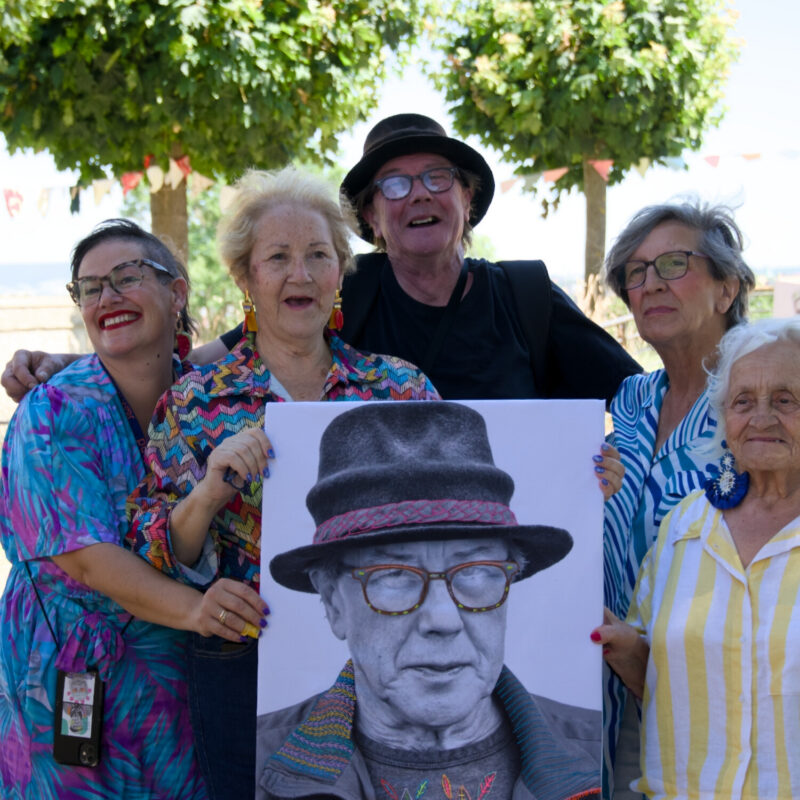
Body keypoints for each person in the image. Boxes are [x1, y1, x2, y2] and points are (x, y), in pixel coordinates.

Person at [126, 166, 440, 800]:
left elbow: (453, 511)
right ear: (247, 278)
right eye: (278, 257)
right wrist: (210, 490)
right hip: (246, 662)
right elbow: (154, 547)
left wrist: (572, 480)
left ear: (339, 273)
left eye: (318, 255)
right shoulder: (195, 403)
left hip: (396, 658)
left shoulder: (400, 389)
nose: (300, 274)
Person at [2, 113, 641, 403]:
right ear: (369, 219)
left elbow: (643, 397)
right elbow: (195, 366)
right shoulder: (343, 291)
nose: (416, 193)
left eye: (437, 177)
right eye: (393, 184)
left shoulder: (525, 296)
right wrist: (79, 364)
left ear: (467, 200)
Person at [0, 220, 264, 798]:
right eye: (90, 288)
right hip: (72, 674)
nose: (107, 298)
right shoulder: (51, 413)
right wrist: (202, 612)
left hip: (184, 674)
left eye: (126, 277)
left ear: (177, 294)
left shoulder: (213, 402)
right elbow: (90, 562)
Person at [257, 401, 602, 800]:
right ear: (334, 603)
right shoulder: (260, 761)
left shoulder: (596, 753)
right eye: (395, 575)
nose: (443, 619)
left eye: (475, 570)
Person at [593, 317, 800, 798]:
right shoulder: (686, 524)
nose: (762, 417)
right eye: (743, 401)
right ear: (723, 417)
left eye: (786, 400)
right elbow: (663, 683)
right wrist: (621, 646)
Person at [599, 202, 756, 798]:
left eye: (673, 263)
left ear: (727, 288)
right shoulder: (633, 398)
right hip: (611, 687)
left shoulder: (760, 402)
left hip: (719, 695)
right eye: (635, 274)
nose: (651, 284)